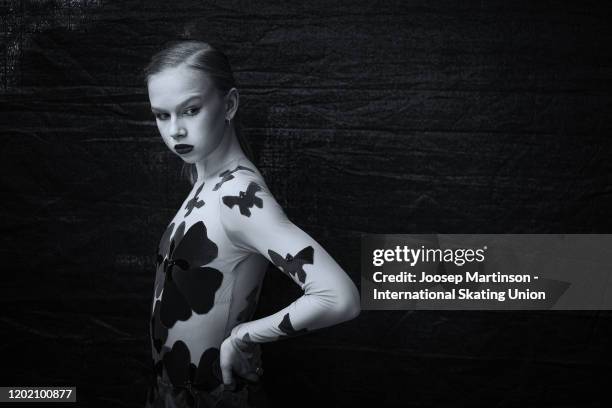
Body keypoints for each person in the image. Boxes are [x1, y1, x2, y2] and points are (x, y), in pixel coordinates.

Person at [143, 40, 361, 408]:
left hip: (213, 395)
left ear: (229, 104)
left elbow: (339, 297)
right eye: (162, 115)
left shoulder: (239, 197)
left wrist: (246, 336)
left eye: (190, 110)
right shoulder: (206, 182)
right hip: (173, 391)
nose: (175, 130)